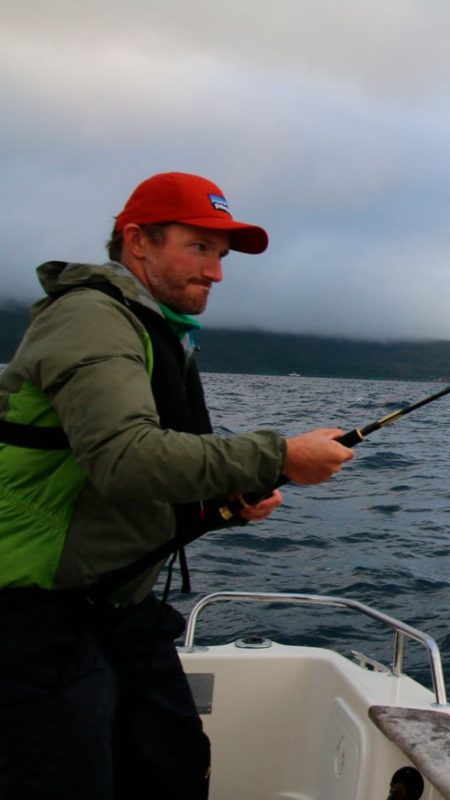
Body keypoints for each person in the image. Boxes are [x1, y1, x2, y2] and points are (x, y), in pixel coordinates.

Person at [0, 172, 355, 799]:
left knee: (172, 766)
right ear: (138, 242)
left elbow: (127, 474)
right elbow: (124, 458)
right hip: (35, 613)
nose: (216, 273)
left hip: (114, 607)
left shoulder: (151, 325)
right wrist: (278, 454)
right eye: (199, 249)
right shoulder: (89, 318)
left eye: (220, 256)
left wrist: (230, 500)